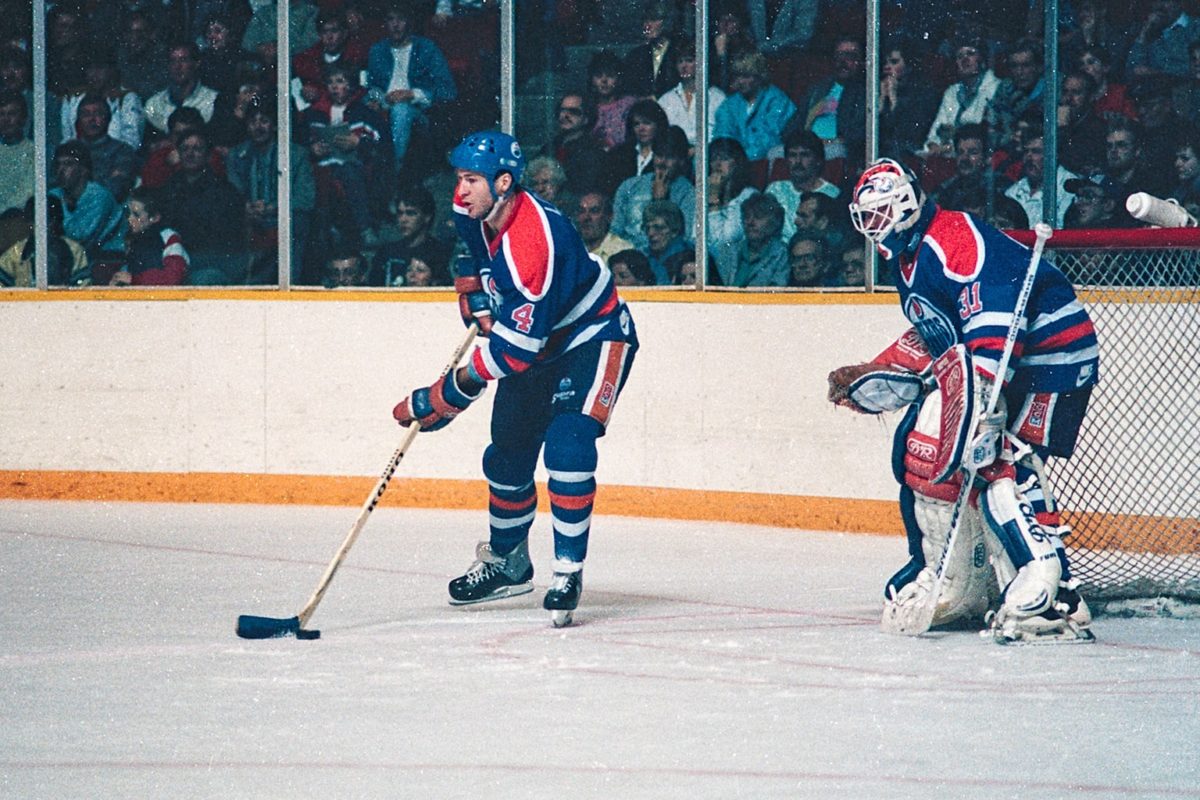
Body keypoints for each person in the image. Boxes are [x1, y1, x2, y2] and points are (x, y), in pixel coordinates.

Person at [831, 157, 1099, 643]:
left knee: (1004, 459)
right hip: (1006, 359)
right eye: (865, 218)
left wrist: (984, 408)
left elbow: (994, 325)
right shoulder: (910, 257)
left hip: (1052, 358)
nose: (873, 228)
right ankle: (943, 566)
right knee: (916, 448)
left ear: (906, 204)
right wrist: (879, 367)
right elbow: (939, 333)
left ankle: (1055, 594)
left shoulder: (954, 240)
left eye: (880, 214)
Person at [392, 130, 638, 626]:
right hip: (537, 344)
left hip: (591, 338)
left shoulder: (533, 242)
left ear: (503, 183)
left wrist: (447, 394)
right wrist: (471, 295)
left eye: (471, 180)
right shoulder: (473, 209)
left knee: (569, 442)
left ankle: (567, 571)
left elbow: (516, 351)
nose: (459, 192)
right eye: (458, 178)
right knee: (506, 450)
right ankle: (508, 561)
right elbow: (470, 255)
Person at [225, 98, 317, 284]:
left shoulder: (296, 154)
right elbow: (231, 196)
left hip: (282, 219)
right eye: (253, 122)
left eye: (264, 121)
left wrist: (271, 208)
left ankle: (290, 284)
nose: (258, 127)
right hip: (250, 220)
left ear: (274, 125)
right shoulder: (236, 155)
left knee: (297, 223)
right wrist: (246, 208)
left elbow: (306, 199)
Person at [365, 0, 457, 179]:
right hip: (384, 105)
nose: (396, 25)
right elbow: (371, 86)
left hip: (416, 111)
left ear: (409, 22)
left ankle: (395, 173)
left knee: (401, 111)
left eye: (401, 19)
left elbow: (448, 90)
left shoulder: (426, 48)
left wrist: (411, 94)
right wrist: (375, 99)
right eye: (391, 19)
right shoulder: (378, 50)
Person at [921, 32, 1000, 157]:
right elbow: (934, 134)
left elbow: (981, 134)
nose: (965, 59)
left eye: (971, 53)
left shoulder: (995, 88)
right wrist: (934, 145)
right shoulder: (951, 92)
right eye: (960, 56)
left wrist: (947, 146)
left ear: (981, 58)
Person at [610, 135, 694, 251]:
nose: (662, 162)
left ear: (681, 161)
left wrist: (660, 202)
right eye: (659, 155)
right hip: (625, 253)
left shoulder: (687, 191)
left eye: (669, 157)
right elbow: (615, 228)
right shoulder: (630, 185)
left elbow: (684, 236)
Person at [711, 49, 796, 162]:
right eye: (737, 76)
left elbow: (769, 140)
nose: (740, 81)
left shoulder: (778, 101)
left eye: (746, 76)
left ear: (760, 76)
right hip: (732, 163)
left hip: (765, 162)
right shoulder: (728, 105)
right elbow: (722, 136)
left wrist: (741, 160)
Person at [48, 141, 126, 261]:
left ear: (84, 170)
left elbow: (79, 237)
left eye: (68, 164)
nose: (61, 170)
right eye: (58, 165)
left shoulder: (99, 196)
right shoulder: (54, 194)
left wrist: (61, 205)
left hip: (109, 257)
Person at [369, 184, 452, 287]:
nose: (403, 220)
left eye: (410, 213)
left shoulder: (439, 253)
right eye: (400, 213)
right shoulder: (386, 252)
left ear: (427, 217)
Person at [766, 129, 841, 242]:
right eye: (792, 155)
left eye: (805, 155)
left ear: (818, 160)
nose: (798, 161)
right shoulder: (775, 189)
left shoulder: (832, 193)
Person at [0, 196, 90, 287]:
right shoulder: (16, 253)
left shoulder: (75, 251)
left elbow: (83, 288)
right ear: (29, 223)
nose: (44, 226)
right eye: (35, 221)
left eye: (49, 220)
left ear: (57, 221)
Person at [68, 94, 139, 203]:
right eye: (86, 114)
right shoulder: (69, 151)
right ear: (78, 120)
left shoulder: (122, 150)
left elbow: (115, 189)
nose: (92, 119)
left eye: (98, 113)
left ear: (108, 118)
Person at [656, 36, 725, 149]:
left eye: (689, 60)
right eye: (680, 61)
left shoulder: (717, 97)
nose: (684, 66)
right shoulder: (666, 99)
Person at [112, 186, 189, 286]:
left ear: (155, 218)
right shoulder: (133, 238)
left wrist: (134, 279)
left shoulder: (169, 238)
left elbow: (173, 278)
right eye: (128, 213)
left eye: (136, 215)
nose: (129, 219)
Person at [143, 42, 220, 138]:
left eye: (183, 60)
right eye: (172, 61)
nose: (177, 66)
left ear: (196, 63)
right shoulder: (154, 104)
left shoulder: (213, 101)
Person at [1002, 130, 1078, 228]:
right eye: (1026, 151)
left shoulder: (1069, 186)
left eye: (1036, 152)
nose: (1029, 157)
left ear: (1053, 155)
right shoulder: (1013, 191)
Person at [537, 91, 606, 197]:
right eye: (561, 110)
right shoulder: (550, 147)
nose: (564, 115)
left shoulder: (592, 151)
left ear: (586, 119)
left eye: (573, 112)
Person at [726, 191, 788, 287]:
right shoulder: (731, 251)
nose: (750, 222)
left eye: (758, 217)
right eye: (746, 217)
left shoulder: (783, 254)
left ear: (775, 221)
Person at [574, 190, 634, 266]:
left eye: (594, 211)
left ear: (609, 216)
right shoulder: (570, 247)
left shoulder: (623, 250)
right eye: (581, 211)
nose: (586, 217)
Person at [639, 199, 691, 284]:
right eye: (647, 228)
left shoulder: (691, 256)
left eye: (658, 227)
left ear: (675, 231)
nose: (650, 233)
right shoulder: (643, 256)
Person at [0, 90, 33, 217]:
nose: (6, 120)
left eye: (12, 114)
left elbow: (28, 193)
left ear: (23, 118)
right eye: (2, 114)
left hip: (19, 219)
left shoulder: (33, 151)